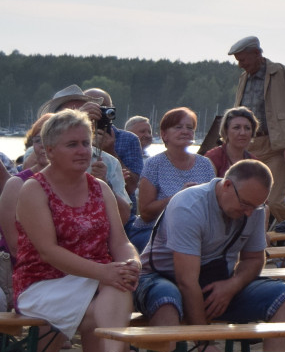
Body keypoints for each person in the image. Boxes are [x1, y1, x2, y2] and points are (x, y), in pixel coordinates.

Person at [134, 160, 285, 352]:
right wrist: (205, 345)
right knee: (168, 302)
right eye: (245, 204)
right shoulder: (189, 205)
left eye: (256, 207)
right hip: (162, 278)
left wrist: (232, 286)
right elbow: (186, 281)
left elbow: (253, 260)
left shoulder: (254, 208)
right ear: (226, 186)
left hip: (217, 282)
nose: (249, 213)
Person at [14, 110, 142, 352]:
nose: (83, 150)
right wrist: (106, 273)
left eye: (86, 143)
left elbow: (121, 242)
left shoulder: (100, 188)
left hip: (95, 280)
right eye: (72, 144)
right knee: (113, 286)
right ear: (50, 150)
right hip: (42, 282)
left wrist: (131, 263)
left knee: (119, 282)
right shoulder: (33, 190)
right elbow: (49, 252)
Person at [230, 36, 285, 222]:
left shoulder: (280, 73)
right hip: (250, 147)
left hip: (277, 147)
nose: (240, 65)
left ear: (257, 54)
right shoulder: (244, 78)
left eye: (242, 60)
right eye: (238, 61)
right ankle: (260, 243)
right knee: (248, 198)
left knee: (274, 200)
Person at [33, 84, 132, 223]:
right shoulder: (38, 150)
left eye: (83, 114)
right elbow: (31, 169)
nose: (78, 117)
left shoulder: (108, 162)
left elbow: (124, 218)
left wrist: (105, 185)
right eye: (71, 113)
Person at [127, 108, 216, 252]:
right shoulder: (154, 164)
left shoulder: (205, 164)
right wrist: (178, 197)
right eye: (178, 127)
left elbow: (213, 205)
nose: (185, 131)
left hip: (195, 230)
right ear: (164, 134)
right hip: (154, 230)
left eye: (189, 127)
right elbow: (146, 213)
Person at [0, 114, 54, 311]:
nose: (43, 145)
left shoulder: (88, 186)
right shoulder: (18, 184)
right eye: (38, 139)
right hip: (25, 272)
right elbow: (15, 248)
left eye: (50, 138)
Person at [83, 88, 145, 202]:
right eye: (92, 107)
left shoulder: (128, 139)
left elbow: (131, 187)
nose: (99, 113)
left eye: (103, 108)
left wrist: (110, 151)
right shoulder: (74, 139)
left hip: (120, 209)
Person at [204, 107, 259, 177]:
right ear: (226, 131)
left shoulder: (254, 163)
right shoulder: (212, 158)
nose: (243, 133)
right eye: (236, 127)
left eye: (247, 128)